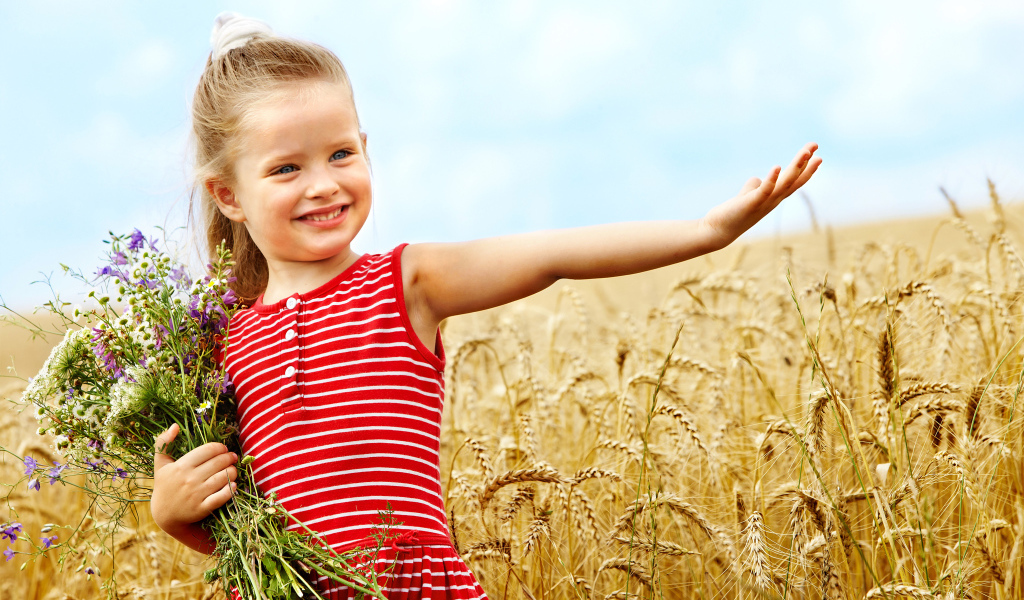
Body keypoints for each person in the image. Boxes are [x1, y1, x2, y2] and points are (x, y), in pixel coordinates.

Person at [150, 12, 821, 600]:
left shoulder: (406, 282)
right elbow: (243, 532)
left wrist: (706, 233)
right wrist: (173, 514)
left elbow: (553, 255)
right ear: (229, 195)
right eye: (287, 169)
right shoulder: (219, 342)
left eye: (341, 153)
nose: (324, 185)